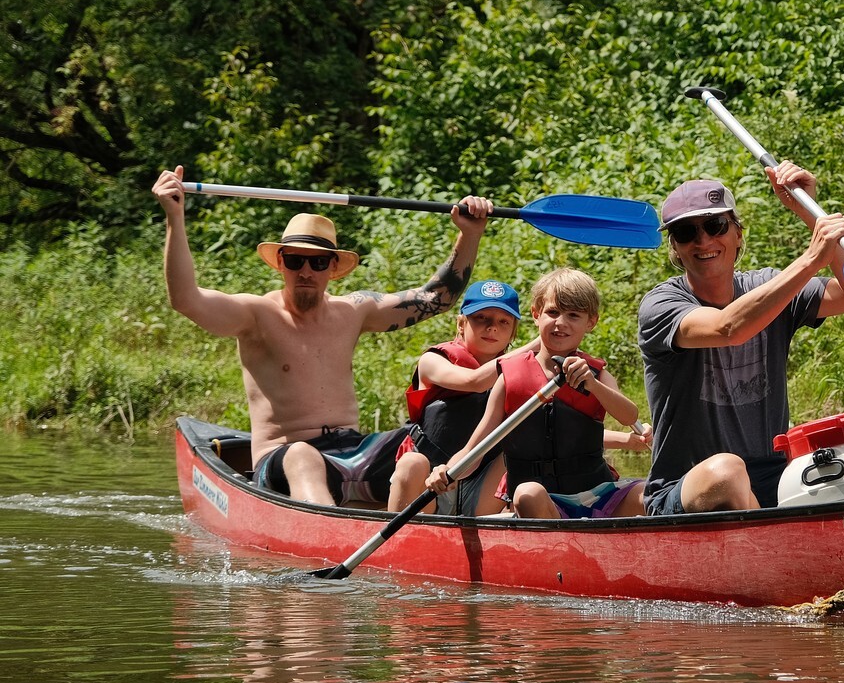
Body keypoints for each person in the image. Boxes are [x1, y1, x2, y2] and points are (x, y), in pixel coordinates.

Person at [152, 165, 492, 506]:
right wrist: (175, 216)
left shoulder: (353, 310)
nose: (305, 272)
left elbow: (435, 299)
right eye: (296, 260)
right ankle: (326, 530)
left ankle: (429, 531)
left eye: (316, 263)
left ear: (332, 268)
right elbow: (185, 299)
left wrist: (470, 233)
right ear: (280, 262)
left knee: (415, 445)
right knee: (302, 455)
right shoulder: (255, 315)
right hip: (286, 456)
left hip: (356, 452)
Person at [637, 162, 844, 515]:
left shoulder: (767, 286)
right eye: (686, 232)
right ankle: (781, 548)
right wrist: (810, 258)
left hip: (775, 479)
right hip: (687, 489)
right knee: (727, 471)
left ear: (737, 233)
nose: (703, 241)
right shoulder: (661, 306)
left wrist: (808, 211)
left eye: (715, 226)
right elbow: (728, 328)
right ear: (675, 247)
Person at [427, 268, 648, 519]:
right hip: (542, 503)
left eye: (573, 315)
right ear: (536, 314)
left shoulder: (596, 375)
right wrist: (447, 470)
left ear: (591, 322)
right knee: (528, 493)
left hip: (598, 494)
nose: (561, 323)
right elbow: (476, 447)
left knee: (646, 493)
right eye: (552, 312)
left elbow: (629, 415)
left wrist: (593, 385)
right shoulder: (509, 376)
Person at [388, 279, 534, 516]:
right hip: (429, 482)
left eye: (503, 322)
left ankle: (494, 526)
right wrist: (539, 344)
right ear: (461, 324)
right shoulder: (433, 361)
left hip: (480, 487)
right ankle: (398, 543)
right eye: (481, 318)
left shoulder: (522, 373)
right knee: (411, 463)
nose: (492, 327)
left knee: (520, 446)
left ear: (513, 333)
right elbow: (474, 381)